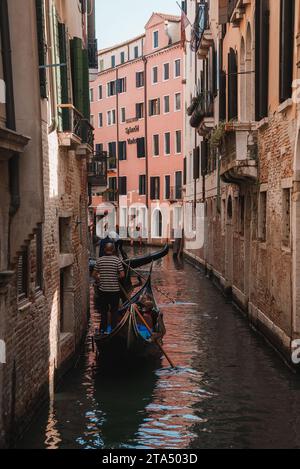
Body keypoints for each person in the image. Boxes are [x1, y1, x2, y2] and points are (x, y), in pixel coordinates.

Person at [93, 243, 125, 333]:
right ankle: (114, 329)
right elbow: (122, 275)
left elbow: (94, 274)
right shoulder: (117, 260)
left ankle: (103, 329)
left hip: (103, 290)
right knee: (114, 311)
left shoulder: (99, 260)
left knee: (103, 311)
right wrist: (114, 277)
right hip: (115, 290)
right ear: (113, 250)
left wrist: (100, 278)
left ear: (104, 250)